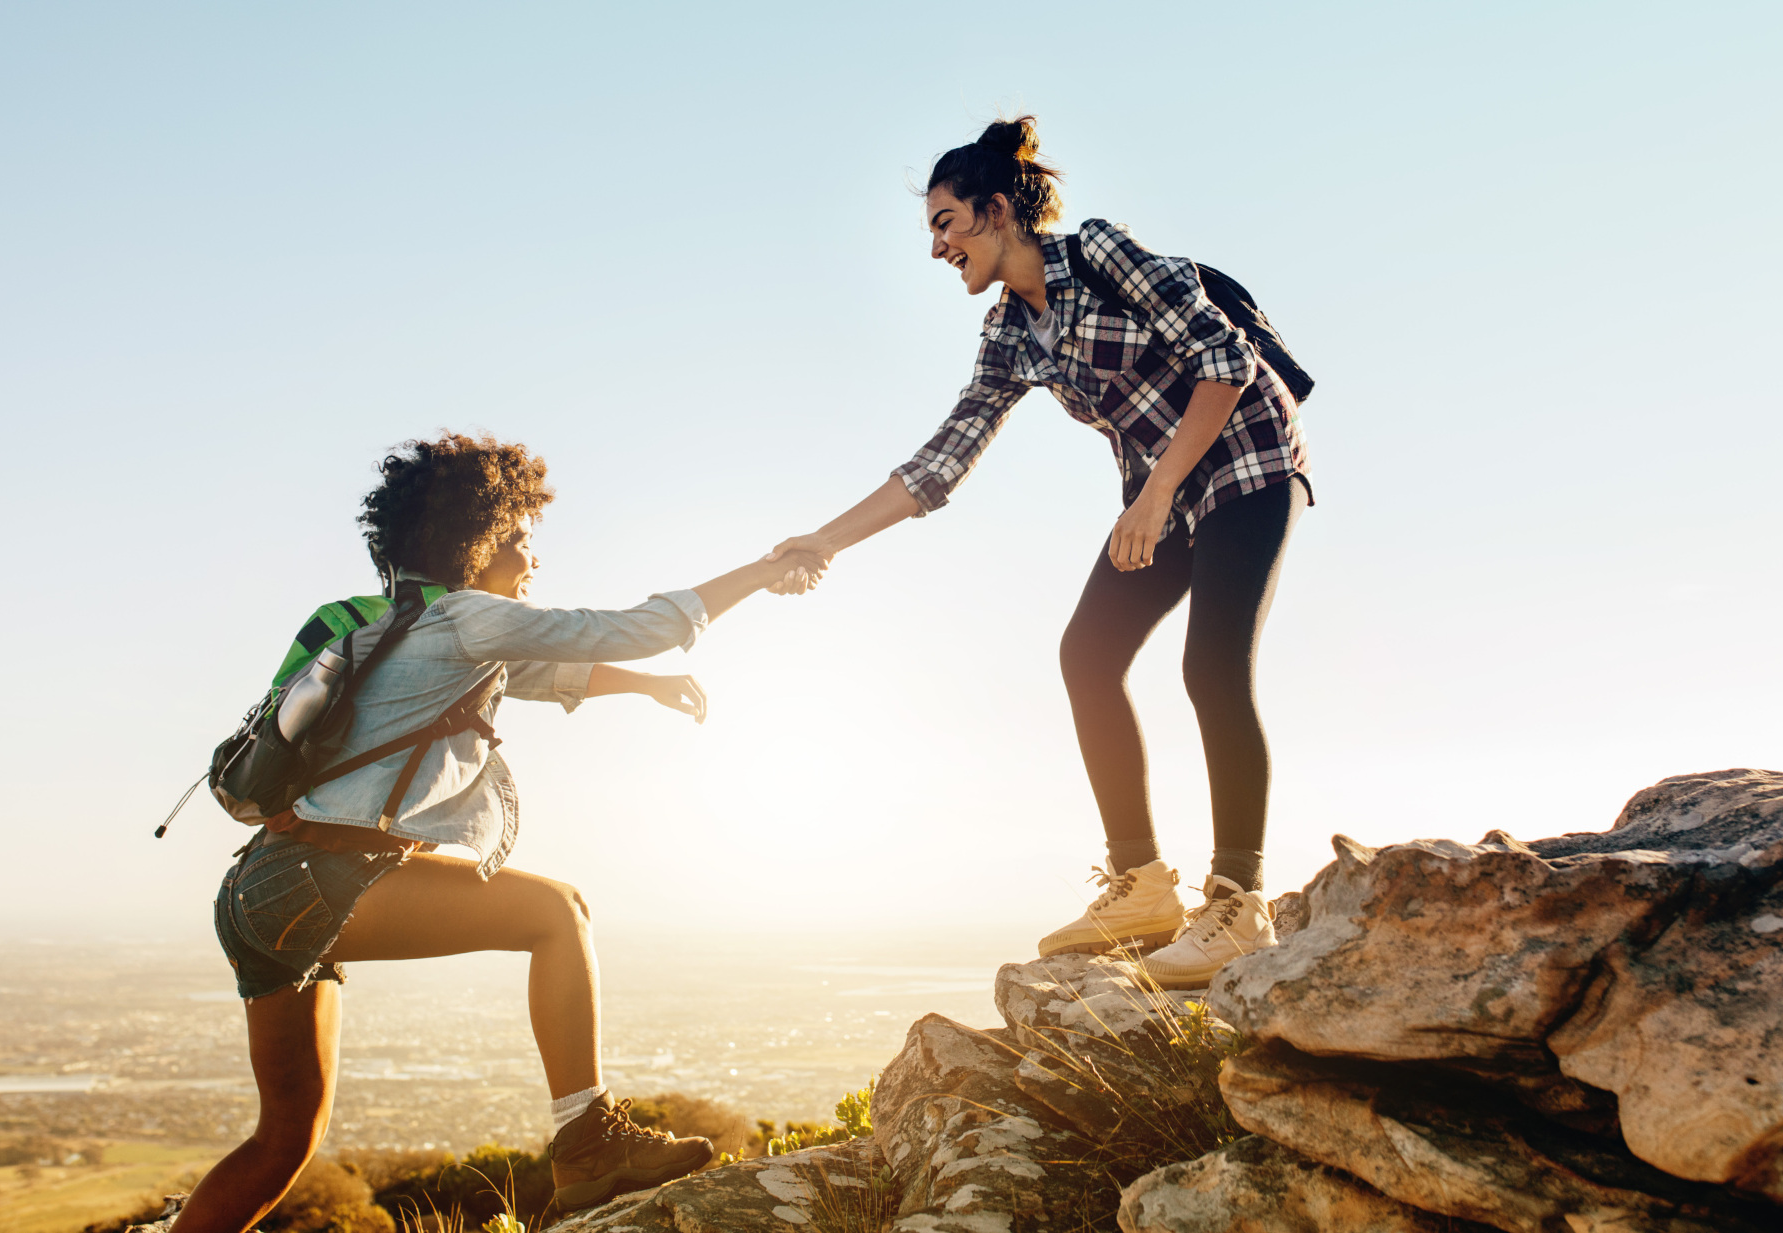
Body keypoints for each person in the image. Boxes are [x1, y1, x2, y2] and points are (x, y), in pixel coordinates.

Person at [177, 432, 822, 1232]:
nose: (532, 559)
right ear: (476, 543)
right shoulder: (466, 620)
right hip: (325, 882)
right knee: (558, 912)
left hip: (258, 893)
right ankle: (587, 1140)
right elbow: (632, 625)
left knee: (283, 1140)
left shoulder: (395, 623)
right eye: (520, 538)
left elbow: (554, 672)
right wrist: (763, 572)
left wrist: (648, 687)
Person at [766, 116, 1312, 990]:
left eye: (945, 223)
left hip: (1245, 461)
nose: (937, 246)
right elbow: (941, 462)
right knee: (1086, 654)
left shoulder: (1100, 252)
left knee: (1211, 666)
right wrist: (822, 540)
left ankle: (1239, 901)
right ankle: (1140, 885)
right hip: (1160, 496)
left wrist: (1160, 489)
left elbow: (1225, 358)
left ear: (994, 210)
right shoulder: (1009, 335)